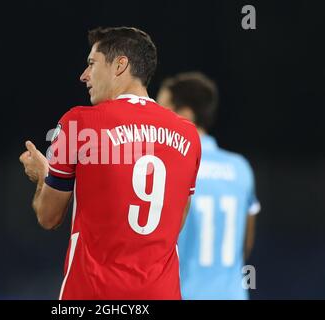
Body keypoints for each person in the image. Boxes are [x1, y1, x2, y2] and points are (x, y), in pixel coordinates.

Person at [19, 27, 201, 300]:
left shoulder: (80, 123)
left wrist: (43, 172)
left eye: (92, 64)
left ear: (120, 64)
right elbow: (175, 220)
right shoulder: (188, 135)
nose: (84, 75)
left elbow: (48, 216)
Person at [157, 72, 261, 300]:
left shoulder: (166, 166)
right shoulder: (240, 168)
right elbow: (245, 243)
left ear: (184, 114)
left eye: (161, 109)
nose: (154, 118)